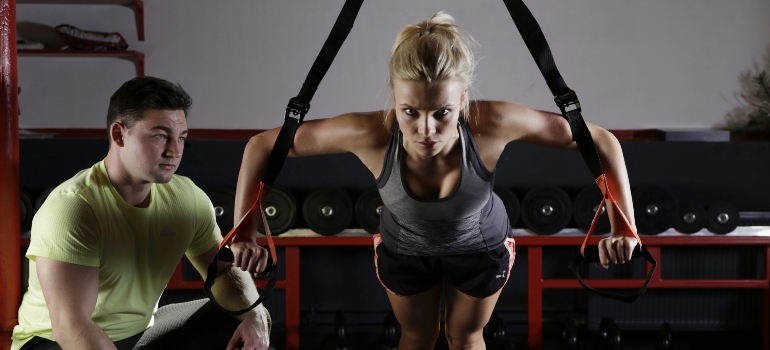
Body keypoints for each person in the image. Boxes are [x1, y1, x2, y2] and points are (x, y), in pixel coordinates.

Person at [231, 12, 638, 349]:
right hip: (405, 250)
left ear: (463, 100)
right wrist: (243, 232)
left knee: (464, 337)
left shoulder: (491, 123)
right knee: (417, 336)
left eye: (442, 112)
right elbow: (262, 145)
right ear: (394, 97)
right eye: (410, 111)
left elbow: (599, 141)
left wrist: (626, 227)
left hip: (481, 248)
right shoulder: (371, 134)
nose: (426, 128)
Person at [11, 76, 270, 350]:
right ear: (119, 134)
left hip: (137, 335)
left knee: (245, 315)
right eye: (160, 136)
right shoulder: (74, 207)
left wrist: (254, 315)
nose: (174, 151)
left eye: (181, 138)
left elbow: (223, 272)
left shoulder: (187, 198)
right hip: (53, 342)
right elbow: (72, 327)